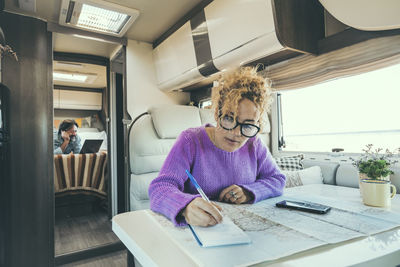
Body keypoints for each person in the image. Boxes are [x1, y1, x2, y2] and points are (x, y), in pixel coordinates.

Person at [149, 67, 286, 227]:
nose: (236, 133)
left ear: (257, 124)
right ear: (216, 114)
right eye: (229, 118)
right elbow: (159, 188)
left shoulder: (254, 143)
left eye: (247, 125)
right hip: (197, 232)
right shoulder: (190, 140)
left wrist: (248, 192)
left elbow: (278, 180)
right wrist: (185, 207)